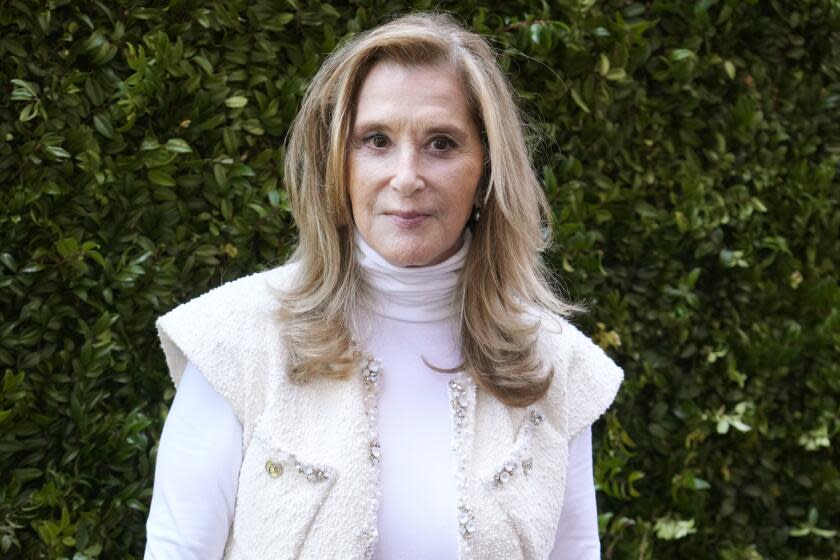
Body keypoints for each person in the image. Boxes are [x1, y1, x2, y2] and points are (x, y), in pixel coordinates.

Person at [144, 11, 623, 560]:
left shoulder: (553, 366)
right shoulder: (235, 341)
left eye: (441, 143)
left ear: (487, 168)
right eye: (376, 140)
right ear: (337, 164)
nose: (406, 176)